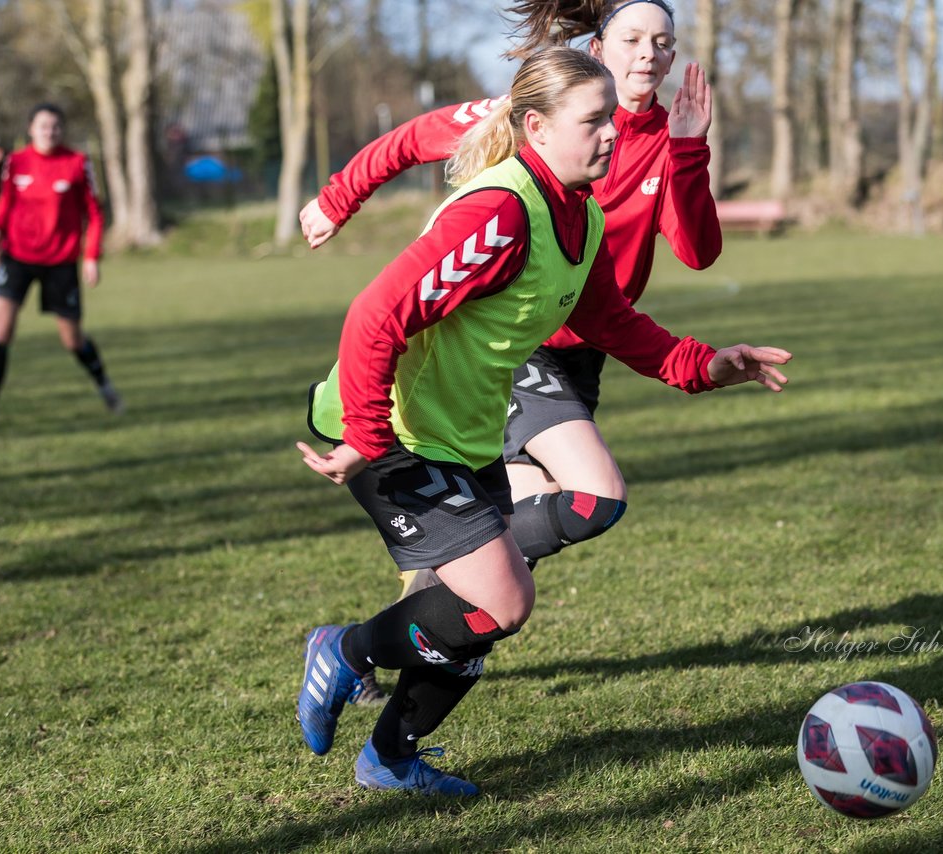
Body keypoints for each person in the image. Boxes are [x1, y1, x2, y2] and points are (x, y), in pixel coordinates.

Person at [294, 46, 791, 796]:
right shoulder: (499, 212)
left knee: (479, 615)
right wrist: (366, 436)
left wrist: (707, 365)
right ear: (536, 127)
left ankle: (390, 758)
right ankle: (347, 649)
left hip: (460, 436)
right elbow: (376, 316)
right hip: (390, 432)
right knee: (502, 599)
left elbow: (613, 322)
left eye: (610, 123)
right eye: (592, 122)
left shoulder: (580, 217)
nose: (609, 137)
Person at [0, 103, 123, 431]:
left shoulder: (77, 163)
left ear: (62, 130)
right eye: (43, 126)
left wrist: (91, 256)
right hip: (18, 257)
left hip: (61, 262)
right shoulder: (16, 161)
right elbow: (7, 200)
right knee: (1, 329)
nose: (49, 132)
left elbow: (94, 214)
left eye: (55, 127)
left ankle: (104, 385)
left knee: (72, 340)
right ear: (30, 129)